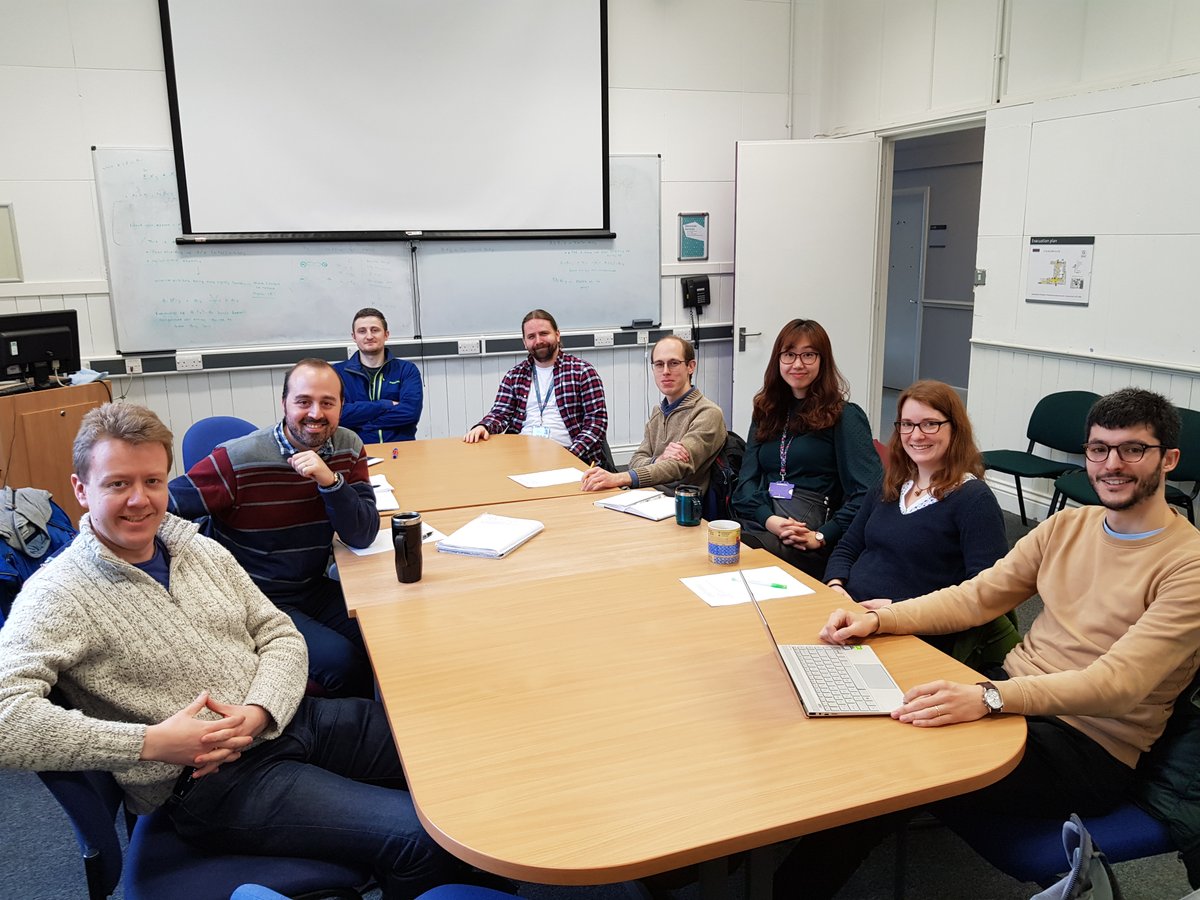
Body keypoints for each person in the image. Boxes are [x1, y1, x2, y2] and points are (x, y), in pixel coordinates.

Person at [0, 403, 457, 897]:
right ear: (81, 490)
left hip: (285, 719)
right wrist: (150, 743)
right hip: (214, 781)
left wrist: (260, 710)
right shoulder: (58, 594)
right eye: (117, 484)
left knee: (446, 752)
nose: (140, 500)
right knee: (421, 839)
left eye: (153, 481)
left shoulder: (196, 547)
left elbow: (278, 632)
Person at [775, 387, 1200, 899]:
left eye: (1133, 449)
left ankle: (787, 885)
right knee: (867, 723)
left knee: (891, 766)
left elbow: (1118, 685)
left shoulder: (1188, 565)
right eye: (1098, 449)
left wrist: (989, 697)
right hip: (1011, 694)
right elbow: (979, 596)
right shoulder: (1068, 524)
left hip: (1089, 743)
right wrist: (880, 621)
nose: (1112, 464)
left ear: (1168, 459)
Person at [169, 359, 377, 699]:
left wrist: (330, 481)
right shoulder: (238, 458)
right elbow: (161, 506)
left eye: (328, 403)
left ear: (341, 406)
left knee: (382, 637)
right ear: (284, 404)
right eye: (303, 401)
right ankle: (356, 737)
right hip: (257, 599)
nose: (315, 413)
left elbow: (362, 533)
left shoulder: (348, 447)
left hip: (312, 586)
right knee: (346, 664)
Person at [823, 380, 1019, 670]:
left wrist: (896, 608)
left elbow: (984, 592)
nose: (916, 435)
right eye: (907, 424)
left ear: (954, 429)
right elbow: (849, 546)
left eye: (930, 424)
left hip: (915, 631)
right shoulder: (890, 483)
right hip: (851, 613)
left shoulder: (973, 498)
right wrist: (836, 585)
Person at [731, 318, 882, 579]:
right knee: (718, 546)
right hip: (765, 523)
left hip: (812, 539)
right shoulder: (767, 411)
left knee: (741, 556)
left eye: (808, 355)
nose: (798, 364)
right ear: (778, 360)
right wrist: (770, 521)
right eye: (789, 355)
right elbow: (745, 483)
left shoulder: (844, 416)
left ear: (823, 361)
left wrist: (823, 535)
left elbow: (869, 492)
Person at [580, 335, 727, 494]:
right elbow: (635, 461)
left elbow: (677, 467)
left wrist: (620, 478)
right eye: (659, 364)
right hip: (645, 495)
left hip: (678, 505)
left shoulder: (708, 413)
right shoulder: (658, 412)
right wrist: (659, 459)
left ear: (691, 367)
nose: (665, 371)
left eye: (674, 363)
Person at [463, 309, 609, 465]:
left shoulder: (582, 372)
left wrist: (571, 455)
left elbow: (596, 422)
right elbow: (500, 413)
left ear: (557, 335)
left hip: (569, 454)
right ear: (525, 342)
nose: (538, 341)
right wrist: (483, 426)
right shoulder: (515, 375)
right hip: (522, 458)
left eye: (544, 333)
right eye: (531, 337)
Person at [333, 306, 423, 444]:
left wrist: (364, 423)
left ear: (386, 334)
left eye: (375, 330)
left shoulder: (406, 370)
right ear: (354, 337)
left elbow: (410, 412)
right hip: (355, 452)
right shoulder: (337, 373)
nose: (369, 336)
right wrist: (384, 405)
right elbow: (338, 415)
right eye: (362, 331)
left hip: (402, 450)